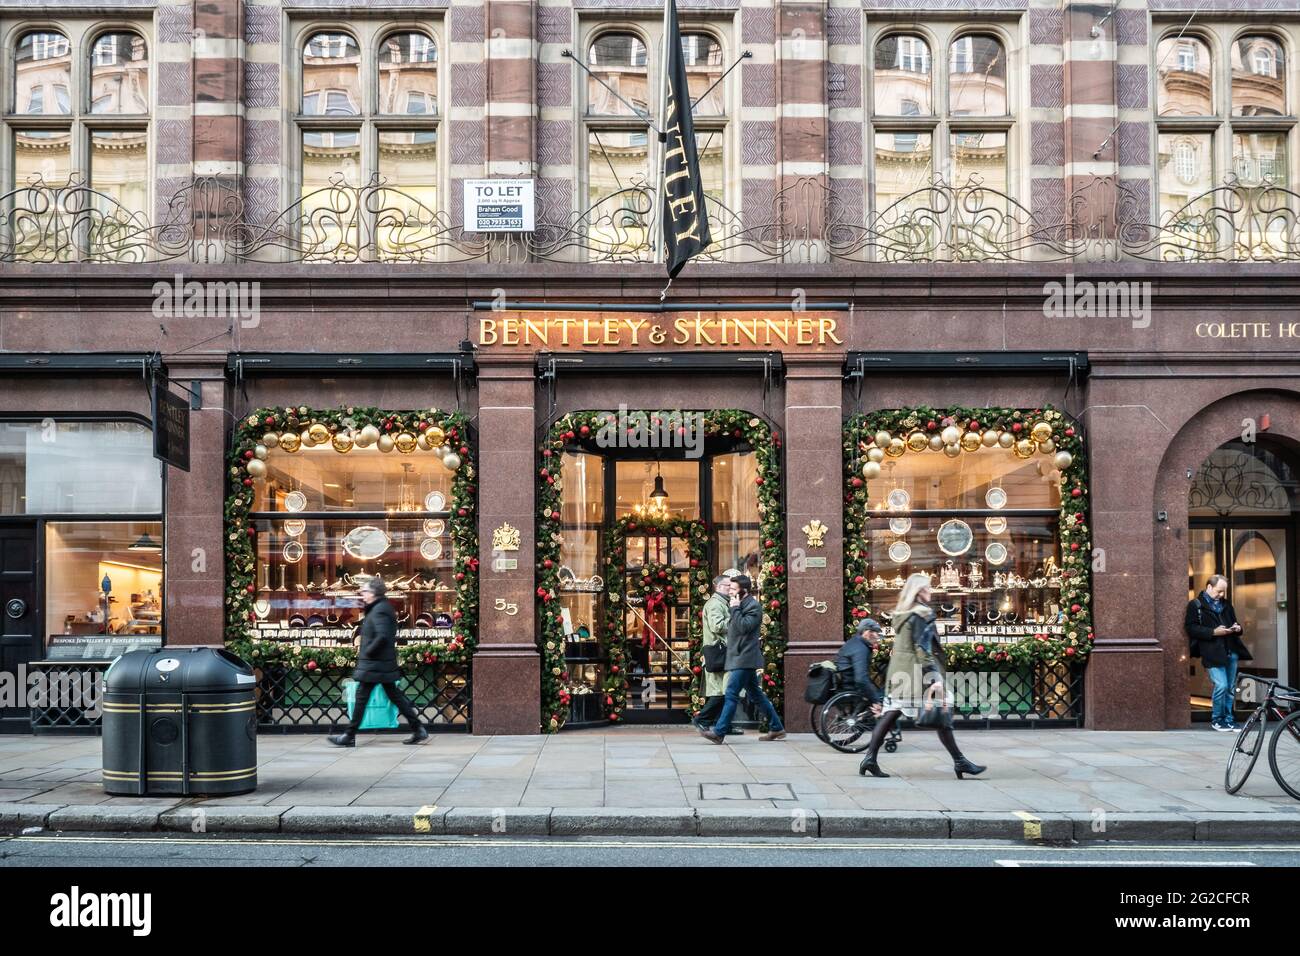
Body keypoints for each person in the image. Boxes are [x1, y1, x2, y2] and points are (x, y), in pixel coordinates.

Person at [858, 573, 985, 779]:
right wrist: (934, 678)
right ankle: (960, 762)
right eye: (927, 588)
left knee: (890, 714)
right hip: (916, 674)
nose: (931, 591)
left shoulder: (904, 613)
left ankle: (870, 759)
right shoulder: (921, 614)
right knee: (941, 709)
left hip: (900, 671)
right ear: (918, 591)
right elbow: (922, 649)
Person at [328, 578, 428, 746]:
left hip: (376, 663)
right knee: (394, 696)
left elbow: (382, 636)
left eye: (365, 591)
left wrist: (368, 651)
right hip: (379, 663)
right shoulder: (380, 608)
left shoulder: (380, 610)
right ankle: (418, 729)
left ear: (374, 593)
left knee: (362, 697)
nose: (363, 594)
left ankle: (349, 735)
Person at [698, 574, 786, 743]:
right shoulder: (738, 604)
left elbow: (743, 627)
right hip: (738, 657)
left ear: (743, 591)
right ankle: (777, 728)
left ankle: (719, 732)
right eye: (729, 587)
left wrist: (735, 608)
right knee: (756, 694)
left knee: (730, 693)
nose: (729, 591)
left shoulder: (753, 606)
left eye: (733, 588)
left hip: (745, 658)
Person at [1185, 574, 1252, 731]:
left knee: (1229, 687)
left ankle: (1229, 719)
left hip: (1231, 650)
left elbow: (1235, 623)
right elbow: (1191, 628)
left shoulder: (1226, 605)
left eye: (1224, 592)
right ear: (1209, 587)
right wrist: (1213, 632)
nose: (1222, 595)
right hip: (1211, 652)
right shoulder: (1195, 605)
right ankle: (1217, 719)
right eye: (1219, 591)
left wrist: (1238, 628)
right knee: (1221, 685)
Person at [693, 572, 743, 734]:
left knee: (725, 691)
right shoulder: (715, 604)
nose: (732, 589)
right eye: (729, 586)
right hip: (719, 653)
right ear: (720, 586)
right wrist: (736, 621)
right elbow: (717, 626)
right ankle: (702, 720)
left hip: (722, 653)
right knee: (720, 692)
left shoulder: (722, 602)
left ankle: (724, 725)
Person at [835, 618, 884, 715]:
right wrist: (875, 700)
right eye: (876, 633)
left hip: (846, 684)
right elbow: (861, 679)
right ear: (868, 632)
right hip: (852, 686)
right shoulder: (861, 648)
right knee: (882, 694)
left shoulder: (854, 642)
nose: (878, 636)